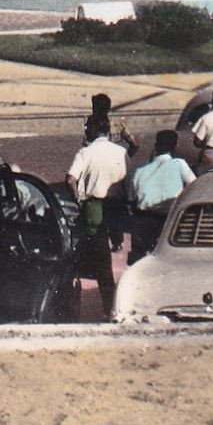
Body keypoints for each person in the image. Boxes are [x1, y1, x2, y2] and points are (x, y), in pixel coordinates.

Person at [67, 117, 129, 320]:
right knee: (116, 257)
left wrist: (78, 199)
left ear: (93, 130)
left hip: (94, 207)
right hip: (117, 207)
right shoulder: (120, 151)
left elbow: (70, 179)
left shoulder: (86, 152)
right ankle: (117, 305)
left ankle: (105, 309)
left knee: (100, 260)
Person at [127, 129, 195, 263]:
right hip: (168, 221)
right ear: (175, 147)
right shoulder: (179, 164)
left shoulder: (140, 171)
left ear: (156, 146)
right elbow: (194, 186)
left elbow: (131, 200)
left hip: (143, 221)